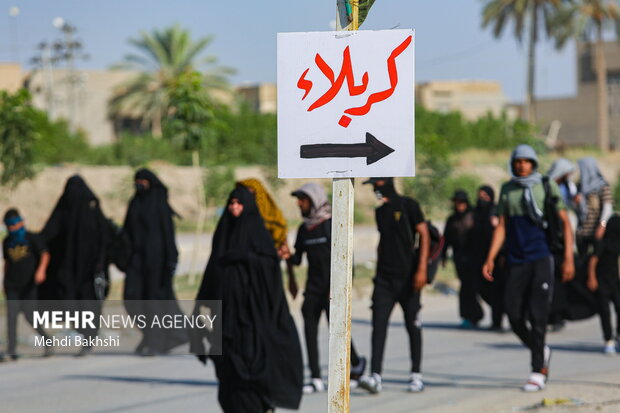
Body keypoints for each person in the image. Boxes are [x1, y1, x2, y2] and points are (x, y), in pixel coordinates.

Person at [192, 186, 303, 412]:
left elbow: (270, 272)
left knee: (251, 377)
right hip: (226, 323)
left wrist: (245, 258)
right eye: (231, 203)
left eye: (239, 203)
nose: (234, 208)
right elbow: (210, 277)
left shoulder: (259, 237)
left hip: (253, 322)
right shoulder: (223, 236)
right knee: (229, 382)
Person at [483, 145, 575, 392]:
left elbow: (565, 223)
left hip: (541, 258)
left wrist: (568, 257)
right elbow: (501, 225)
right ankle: (540, 349)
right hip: (516, 260)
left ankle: (538, 370)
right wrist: (490, 257)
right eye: (518, 161)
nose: (522, 165)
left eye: (526, 161)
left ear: (533, 163)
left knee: (538, 316)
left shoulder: (545, 185)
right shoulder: (507, 189)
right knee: (513, 315)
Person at [285, 183, 366, 393]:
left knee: (337, 331)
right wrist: (284, 254)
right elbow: (297, 259)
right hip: (313, 288)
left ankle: (356, 363)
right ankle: (315, 377)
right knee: (309, 330)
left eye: (302, 199)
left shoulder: (331, 224)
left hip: (333, 290)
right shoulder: (304, 229)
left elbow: (347, 258)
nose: (298, 203)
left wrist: (342, 289)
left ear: (314, 200)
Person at [358, 177, 429, 394]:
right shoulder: (380, 212)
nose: (375, 191)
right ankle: (376, 375)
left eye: (377, 186)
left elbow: (424, 234)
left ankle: (416, 375)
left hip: (409, 277)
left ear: (387, 183)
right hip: (384, 279)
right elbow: (384, 240)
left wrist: (422, 269)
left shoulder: (409, 205)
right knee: (378, 326)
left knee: (412, 325)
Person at [40, 175, 111, 356]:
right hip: (68, 269)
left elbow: (104, 238)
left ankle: (88, 340)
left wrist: (101, 262)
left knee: (88, 306)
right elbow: (49, 233)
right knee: (69, 304)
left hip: (89, 269)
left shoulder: (92, 208)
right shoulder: (64, 209)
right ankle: (83, 333)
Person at [123, 168, 188, 355]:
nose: (139, 184)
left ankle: (156, 342)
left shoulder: (159, 203)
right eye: (136, 181)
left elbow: (168, 234)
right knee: (132, 299)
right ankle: (152, 336)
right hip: (136, 262)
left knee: (155, 304)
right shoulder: (134, 202)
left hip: (157, 263)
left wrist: (171, 259)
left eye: (142, 181)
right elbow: (127, 232)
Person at [2, 209, 52, 360]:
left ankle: (47, 341)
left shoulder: (32, 238)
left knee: (31, 316)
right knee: (11, 317)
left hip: (29, 284)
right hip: (12, 286)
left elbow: (45, 254)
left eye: (14, 225)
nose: (12, 229)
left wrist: (41, 271)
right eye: (9, 226)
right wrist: (4, 281)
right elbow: (7, 262)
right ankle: (11, 350)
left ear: (21, 223)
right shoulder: (6, 242)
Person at [236, 178, 297, 297]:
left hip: (268, 273)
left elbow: (285, 250)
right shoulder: (237, 217)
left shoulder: (273, 218)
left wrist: (291, 279)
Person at [546, 159, 579, 332]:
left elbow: (569, 211)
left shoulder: (568, 187)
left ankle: (558, 315)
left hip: (562, 236)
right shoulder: (545, 187)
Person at [442, 190, 482, 328]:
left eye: (461, 202)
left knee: (471, 287)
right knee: (465, 286)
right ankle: (470, 315)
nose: (459, 205)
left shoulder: (474, 216)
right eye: (456, 202)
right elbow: (445, 239)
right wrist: (443, 256)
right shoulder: (452, 219)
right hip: (459, 257)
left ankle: (475, 314)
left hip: (474, 257)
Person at [472, 185, 505, 331]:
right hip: (479, 257)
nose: (482, 198)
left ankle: (497, 321)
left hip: (496, 259)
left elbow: (501, 234)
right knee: (482, 289)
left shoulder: (496, 211)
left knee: (497, 291)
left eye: (485, 196)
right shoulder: (476, 214)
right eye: (480, 195)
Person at [587, 215, 620, 354]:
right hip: (602, 282)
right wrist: (592, 278)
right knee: (605, 312)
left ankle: (618, 335)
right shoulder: (602, 243)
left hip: (616, 283)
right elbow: (593, 261)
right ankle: (608, 340)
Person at [576, 157, 613, 256]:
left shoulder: (602, 186)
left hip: (596, 230)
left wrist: (602, 225)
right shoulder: (580, 186)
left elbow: (607, 207)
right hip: (582, 231)